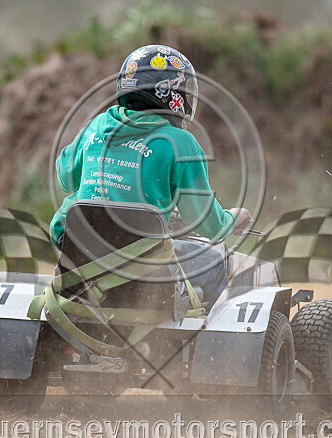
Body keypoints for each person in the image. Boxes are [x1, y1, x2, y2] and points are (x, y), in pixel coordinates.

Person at [49, 44, 251, 309]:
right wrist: (231, 219)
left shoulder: (97, 126)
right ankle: (206, 348)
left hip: (80, 264)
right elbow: (207, 225)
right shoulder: (180, 144)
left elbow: (65, 178)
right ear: (173, 93)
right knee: (216, 263)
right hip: (143, 274)